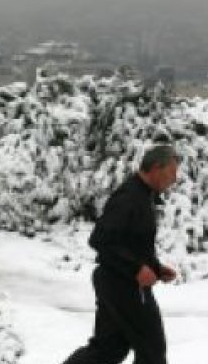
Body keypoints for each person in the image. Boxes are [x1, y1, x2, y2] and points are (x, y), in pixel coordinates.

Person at [62, 145, 180, 364]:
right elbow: (100, 239)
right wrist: (136, 269)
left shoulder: (143, 196)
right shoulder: (129, 198)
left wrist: (155, 267)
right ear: (156, 168)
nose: (174, 179)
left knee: (109, 349)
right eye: (172, 173)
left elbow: (132, 243)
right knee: (152, 351)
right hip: (123, 284)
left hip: (116, 281)